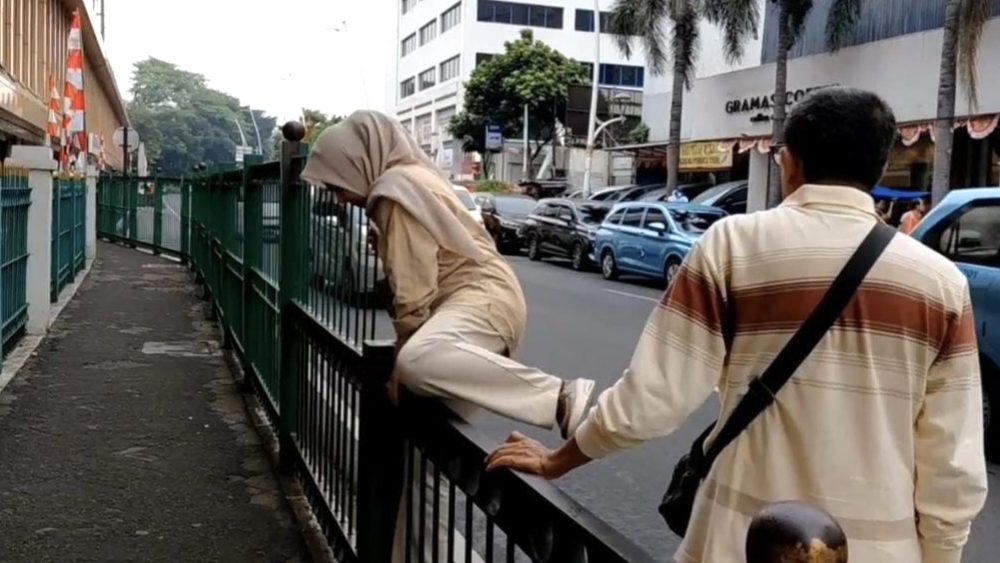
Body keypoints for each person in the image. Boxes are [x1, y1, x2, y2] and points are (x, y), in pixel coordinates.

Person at [487, 87, 988, 563]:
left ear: (790, 162)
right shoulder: (941, 285)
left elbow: (649, 402)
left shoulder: (733, 247)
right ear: (879, 166)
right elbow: (953, 466)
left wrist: (559, 461)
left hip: (736, 539)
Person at [300, 110, 597, 561]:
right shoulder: (410, 177)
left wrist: (403, 366)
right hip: (483, 303)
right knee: (426, 465)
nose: (338, 197)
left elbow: (412, 298)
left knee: (417, 364)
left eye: (336, 183)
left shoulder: (392, 191)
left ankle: (557, 397)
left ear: (358, 162)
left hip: (479, 301)